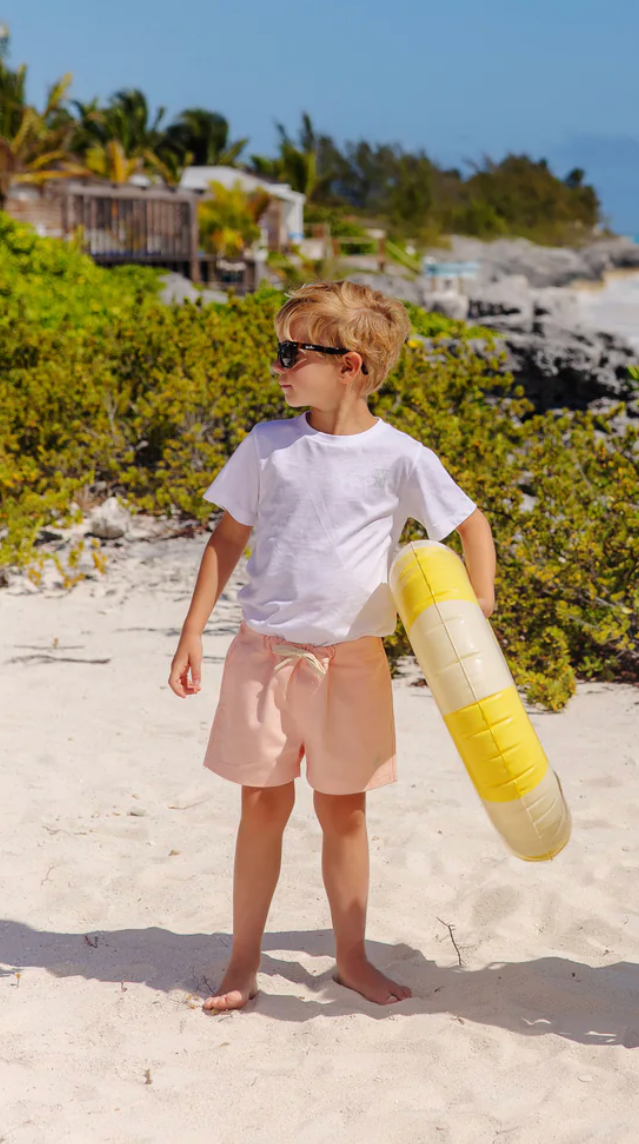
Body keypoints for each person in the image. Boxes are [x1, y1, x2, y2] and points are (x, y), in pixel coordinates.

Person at [168, 281, 496, 1012]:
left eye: (293, 351)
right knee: (261, 804)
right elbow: (227, 540)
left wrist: (479, 605)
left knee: (344, 811)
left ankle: (351, 957)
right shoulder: (269, 444)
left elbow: (471, 525)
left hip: (352, 665)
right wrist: (192, 634)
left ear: (350, 365)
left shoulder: (401, 457)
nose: (279, 365)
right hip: (264, 657)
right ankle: (242, 961)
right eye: (278, 349)